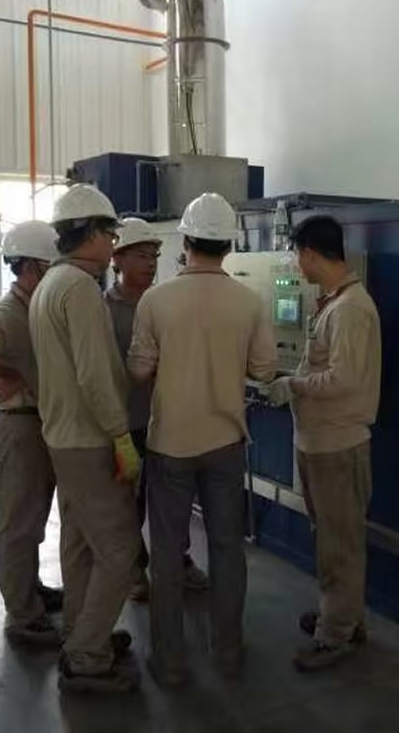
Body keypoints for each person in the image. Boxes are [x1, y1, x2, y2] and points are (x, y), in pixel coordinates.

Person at [128, 192, 277, 688]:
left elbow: (139, 369)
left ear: (186, 241)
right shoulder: (249, 301)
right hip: (226, 442)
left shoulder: (155, 300)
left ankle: (169, 662)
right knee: (227, 549)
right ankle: (227, 653)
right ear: (228, 246)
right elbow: (264, 370)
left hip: (169, 443)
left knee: (168, 554)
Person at [29, 184, 142, 693]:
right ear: (93, 233)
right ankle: (87, 654)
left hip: (61, 437)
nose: (114, 244)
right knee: (120, 551)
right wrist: (120, 435)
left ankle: (81, 629)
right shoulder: (79, 288)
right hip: (89, 439)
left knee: (78, 543)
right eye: (111, 234)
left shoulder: (50, 284)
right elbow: (95, 374)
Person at [263, 215, 381, 672]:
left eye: (298, 255)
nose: (297, 264)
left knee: (339, 544)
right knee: (331, 538)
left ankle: (336, 635)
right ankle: (343, 617)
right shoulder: (333, 303)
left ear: (311, 253)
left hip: (338, 444)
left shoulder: (350, 309)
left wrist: (293, 384)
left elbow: (344, 379)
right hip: (318, 442)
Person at [0, 220, 63, 647]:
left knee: (32, 519)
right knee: (18, 524)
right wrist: (17, 375)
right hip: (21, 425)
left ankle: (31, 590)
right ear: (27, 266)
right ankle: (22, 616)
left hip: (36, 423)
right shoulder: (9, 311)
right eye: (48, 267)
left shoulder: (32, 305)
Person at [103, 218, 209, 603]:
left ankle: (178, 560)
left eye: (154, 256)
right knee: (126, 503)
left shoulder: (166, 303)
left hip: (165, 420)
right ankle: (134, 567)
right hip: (125, 423)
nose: (150, 263)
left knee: (170, 500)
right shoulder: (102, 310)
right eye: (141, 256)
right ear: (117, 259)